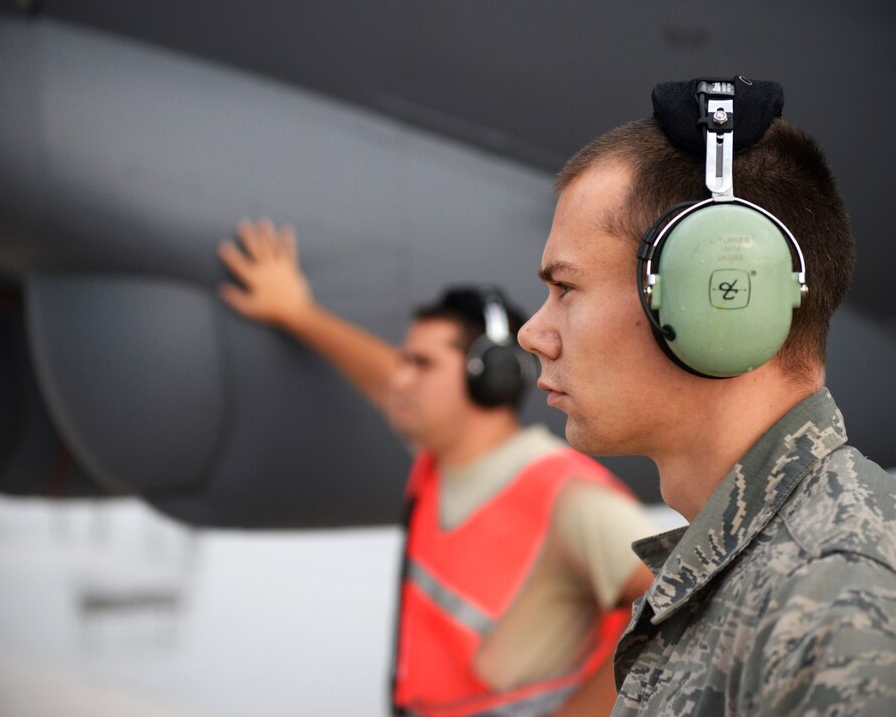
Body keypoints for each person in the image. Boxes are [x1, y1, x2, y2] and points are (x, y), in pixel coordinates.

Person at [517, 77, 896, 715]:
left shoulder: (845, 610)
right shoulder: (781, 577)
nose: (532, 333)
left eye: (565, 288)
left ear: (717, 292)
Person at [217, 219, 657, 717]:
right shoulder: (441, 460)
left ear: (489, 378)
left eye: (421, 365)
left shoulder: (569, 497)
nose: (400, 380)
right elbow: (382, 377)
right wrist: (298, 313)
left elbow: (672, 611)